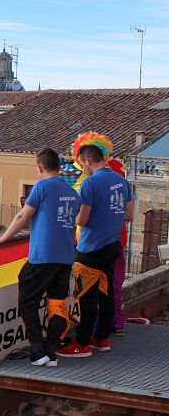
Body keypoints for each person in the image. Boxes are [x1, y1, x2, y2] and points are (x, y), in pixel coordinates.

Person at [0, 148, 79, 367]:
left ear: (39, 167)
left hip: (43, 256)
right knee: (57, 304)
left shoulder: (41, 187)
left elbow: (23, 215)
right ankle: (51, 352)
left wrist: (4, 238)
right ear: (59, 167)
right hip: (66, 257)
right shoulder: (72, 192)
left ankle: (37, 351)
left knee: (27, 300)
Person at [57, 144, 132, 357]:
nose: (82, 168)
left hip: (90, 247)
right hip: (112, 244)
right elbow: (130, 215)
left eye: (81, 164)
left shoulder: (90, 183)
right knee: (106, 294)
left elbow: (82, 219)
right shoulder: (121, 181)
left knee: (87, 297)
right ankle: (102, 338)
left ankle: (81, 343)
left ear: (87, 160)